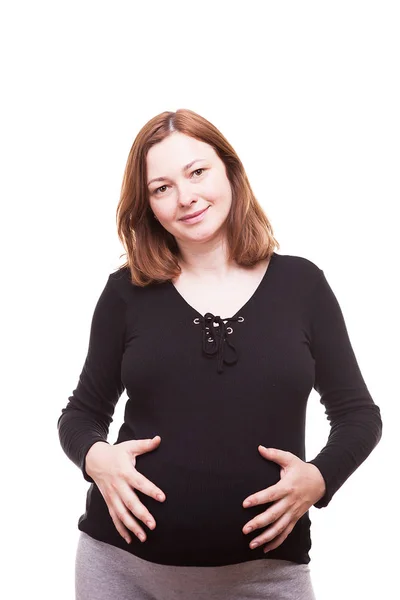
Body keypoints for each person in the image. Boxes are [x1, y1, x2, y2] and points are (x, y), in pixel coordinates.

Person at [57, 108, 383, 600]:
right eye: (161, 187)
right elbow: (81, 414)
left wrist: (320, 478)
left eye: (197, 172)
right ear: (148, 205)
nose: (185, 197)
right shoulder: (126, 292)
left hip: (268, 579)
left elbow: (359, 414)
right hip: (122, 572)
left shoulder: (303, 286)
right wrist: (96, 457)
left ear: (229, 170)